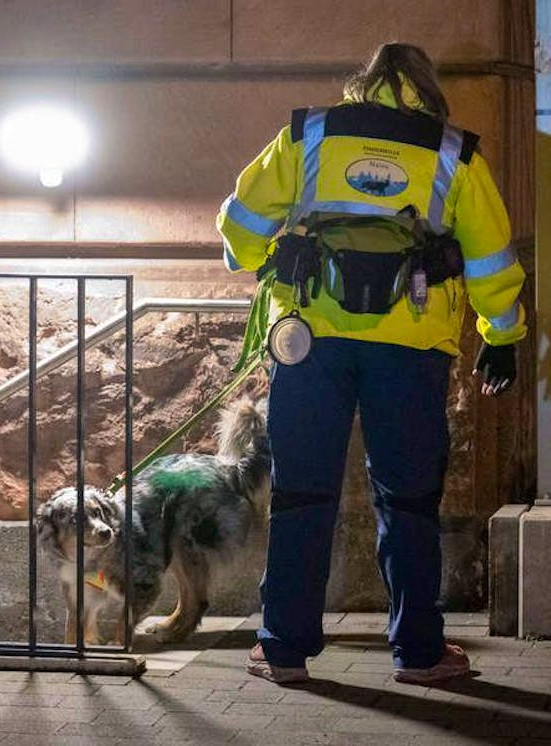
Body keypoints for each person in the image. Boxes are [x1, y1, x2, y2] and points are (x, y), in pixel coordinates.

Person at [216, 43, 526, 685]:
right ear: (425, 88)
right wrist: (502, 332)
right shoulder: (453, 153)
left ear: (360, 85)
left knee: (301, 493)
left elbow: (242, 225)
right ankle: (418, 654)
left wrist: (255, 257)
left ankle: (283, 650)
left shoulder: (307, 136)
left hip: (311, 341)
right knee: (409, 500)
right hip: (410, 347)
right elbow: (492, 255)